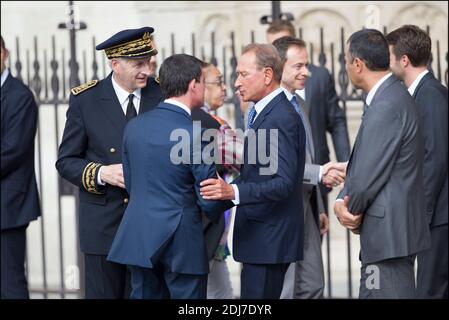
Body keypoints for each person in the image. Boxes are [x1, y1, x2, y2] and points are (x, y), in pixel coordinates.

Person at [107, 54, 233, 299]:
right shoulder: (196, 133)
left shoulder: (134, 126)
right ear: (193, 85)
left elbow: (132, 184)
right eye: (204, 83)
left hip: (140, 236)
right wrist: (233, 197)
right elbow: (209, 196)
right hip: (182, 241)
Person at [55, 27, 162, 299]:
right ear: (115, 64)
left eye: (148, 63)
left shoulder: (160, 95)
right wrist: (102, 173)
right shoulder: (86, 100)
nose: (146, 71)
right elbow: (66, 161)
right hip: (104, 226)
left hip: (150, 225)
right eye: (138, 64)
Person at [200, 43, 306, 299]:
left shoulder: (278, 116)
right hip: (262, 239)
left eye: (243, 74)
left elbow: (283, 183)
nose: (236, 83)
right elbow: (257, 171)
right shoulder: (264, 112)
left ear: (267, 75)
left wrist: (232, 190)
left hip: (268, 241)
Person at [334, 28, 431, 299]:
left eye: (346, 59)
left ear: (358, 64)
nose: (346, 66)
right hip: (387, 238)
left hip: (388, 238)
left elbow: (367, 175)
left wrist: (345, 205)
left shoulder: (387, 104)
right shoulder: (391, 96)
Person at [272, 36, 344, 299]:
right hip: (281, 213)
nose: (306, 72)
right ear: (280, 66)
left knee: (313, 285)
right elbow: (274, 166)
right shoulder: (263, 110)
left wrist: (319, 207)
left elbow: (308, 157)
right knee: (286, 289)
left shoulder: (300, 104)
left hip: (308, 210)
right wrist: (321, 172)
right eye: (299, 66)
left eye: (307, 65)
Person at [386, 25, 448, 299]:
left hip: (438, 218)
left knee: (431, 290)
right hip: (433, 216)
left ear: (404, 60)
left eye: (389, 57)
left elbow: (435, 158)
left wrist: (420, 215)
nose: (386, 64)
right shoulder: (420, 93)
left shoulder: (431, 95)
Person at [266, 20, 351, 211]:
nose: (305, 72)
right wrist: (320, 172)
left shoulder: (307, 93)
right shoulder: (264, 106)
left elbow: (336, 122)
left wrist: (346, 166)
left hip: (315, 188)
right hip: (285, 199)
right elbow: (270, 164)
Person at [192, 62, 243, 299]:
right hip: (207, 227)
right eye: (218, 82)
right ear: (199, 86)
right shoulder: (214, 126)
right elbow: (248, 159)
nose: (225, 88)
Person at [1, 35, 41, 299]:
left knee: (8, 283)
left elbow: (12, 150)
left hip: (7, 208)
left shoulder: (20, 96)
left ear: (4, 53)